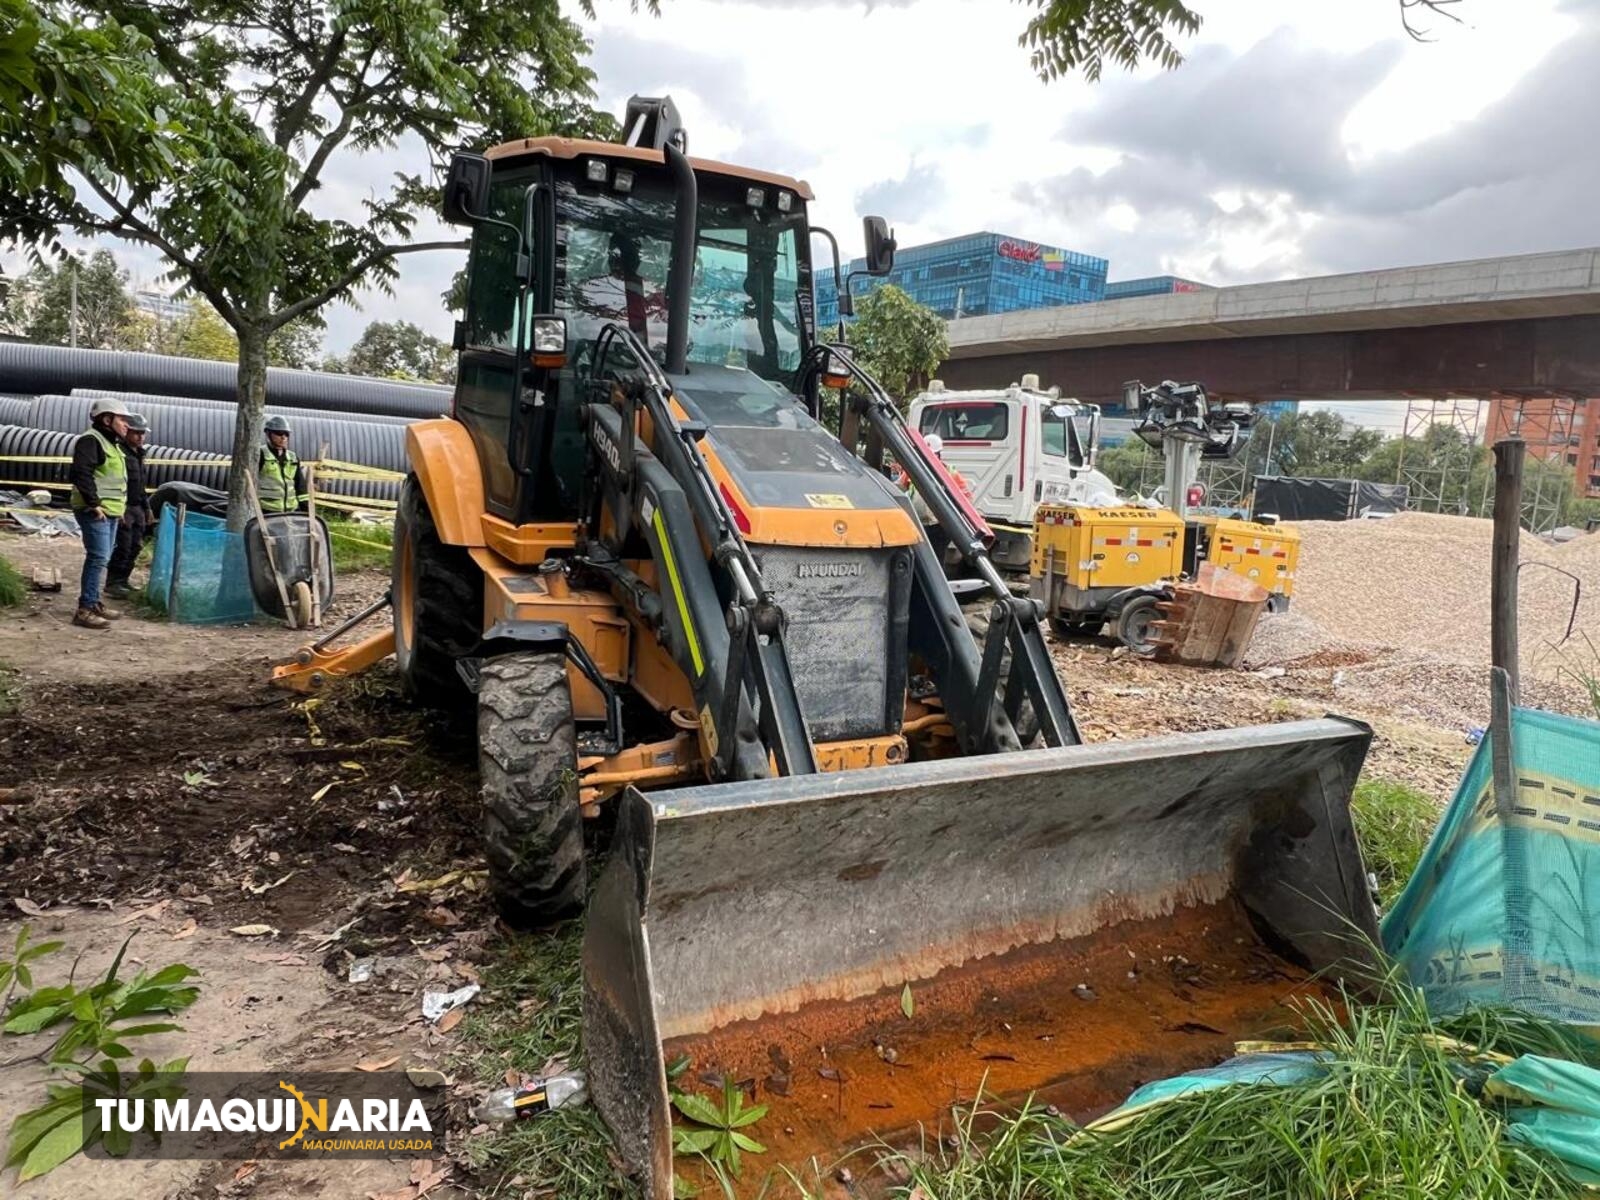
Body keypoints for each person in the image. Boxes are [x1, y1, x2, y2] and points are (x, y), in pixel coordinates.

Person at [67, 398, 131, 629]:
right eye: (122, 419)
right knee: (98, 557)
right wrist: (94, 503)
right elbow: (81, 473)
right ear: (107, 419)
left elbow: (114, 481)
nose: (126, 425)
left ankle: (93, 603)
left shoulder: (111, 443)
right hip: (94, 511)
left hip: (110, 512)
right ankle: (85, 610)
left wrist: (119, 510)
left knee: (102, 557)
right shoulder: (91, 441)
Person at [105, 413, 153, 599]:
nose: (140, 437)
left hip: (138, 508)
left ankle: (123, 581)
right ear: (127, 432)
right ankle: (113, 583)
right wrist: (120, 508)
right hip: (124, 507)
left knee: (135, 546)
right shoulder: (119, 453)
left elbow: (140, 485)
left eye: (142, 433)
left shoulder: (139, 454)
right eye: (136, 433)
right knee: (123, 546)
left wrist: (147, 508)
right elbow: (116, 482)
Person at [258, 416, 309, 514]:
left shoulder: (292, 458)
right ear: (268, 433)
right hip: (266, 512)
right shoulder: (260, 455)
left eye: (286, 434)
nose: (283, 437)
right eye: (279, 433)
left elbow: (301, 487)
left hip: (291, 511)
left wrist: (306, 511)